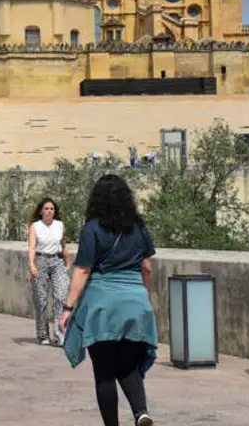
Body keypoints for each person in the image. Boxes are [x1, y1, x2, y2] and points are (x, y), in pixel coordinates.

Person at [59, 175, 157, 426]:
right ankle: (141, 412)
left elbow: (82, 270)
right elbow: (147, 267)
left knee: (104, 373)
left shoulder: (93, 227)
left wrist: (68, 307)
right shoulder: (138, 226)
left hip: (102, 303)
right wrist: (142, 295)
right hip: (136, 301)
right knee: (128, 365)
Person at [28, 197, 71, 347]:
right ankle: (43, 334)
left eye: (51, 209)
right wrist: (32, 265)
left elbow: (63, 245)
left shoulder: (59, 225)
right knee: (41, 301)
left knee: (61, 296)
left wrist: (67, 262)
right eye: (46, 208)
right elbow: (32, 247)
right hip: (41, 261)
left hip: (57, 261)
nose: (49, 211)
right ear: (41, 211)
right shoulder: (35, 226)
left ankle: (60, 335)